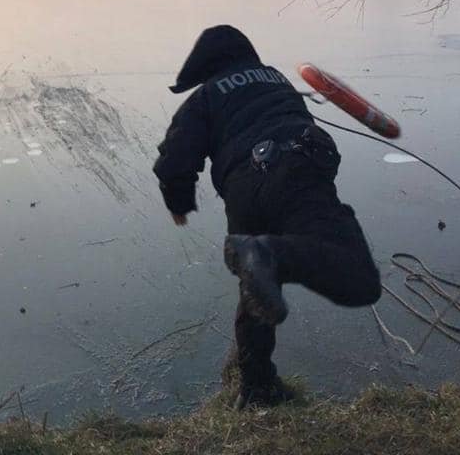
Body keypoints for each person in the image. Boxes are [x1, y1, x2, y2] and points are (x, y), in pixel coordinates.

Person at [154, 25, 381, 410]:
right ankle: (271, 254)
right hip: (302, 170)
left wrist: (179, 202)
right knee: (360, 281)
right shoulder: (277, 80)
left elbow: (173, 160)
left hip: (247, 186)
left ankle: (257, 387)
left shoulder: (206, 96)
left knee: (255, 285)